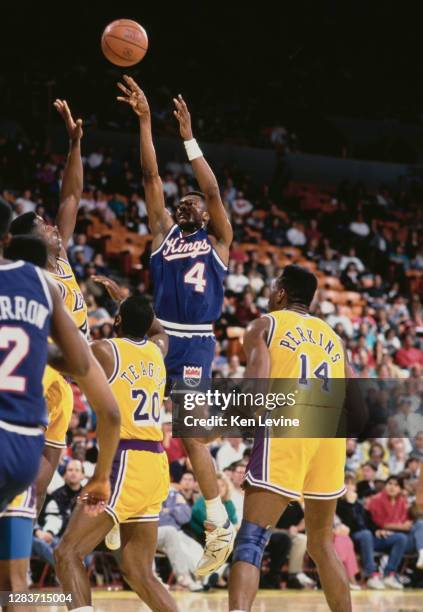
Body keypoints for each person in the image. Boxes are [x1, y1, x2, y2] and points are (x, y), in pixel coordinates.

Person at [117, 75, 235, 576]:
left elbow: (209, 184)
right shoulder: (164, 236)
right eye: (183, 199)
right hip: (158, 337)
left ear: (208, 216)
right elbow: (149, 177)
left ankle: (217, 524)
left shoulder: (219, 242)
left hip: (197, 344)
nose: (190, 201)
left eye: (197, 202)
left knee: (191, 435)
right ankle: (119, 498)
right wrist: (145, 121)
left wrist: (188, 138)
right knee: (125, 409)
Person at [0, 212, 120, 599]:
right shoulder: (42, 286)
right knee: (15, 584)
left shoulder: (54, 269)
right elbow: (108, 407)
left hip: (44, 392)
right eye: (42, 224)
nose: (53, 227)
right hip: (25, 437)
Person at [228, 265, 352, 612]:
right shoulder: (334, 337)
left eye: (273, 288)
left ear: (281, 292)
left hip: (287, 424)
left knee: (252, 538)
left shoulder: (265, 324)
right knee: (322, 544)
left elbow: (256, 386)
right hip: (328, 435)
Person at [54, 296, 178, 612]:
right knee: (139, 572)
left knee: (67, 553)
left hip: (125, 461)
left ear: (117, 320)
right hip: (155, 465)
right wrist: (128, 303)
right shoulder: (158, 350)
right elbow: (159, 329)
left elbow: (60, 358)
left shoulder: (105, 351)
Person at [9, 99, 88, 513]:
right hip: (39, 368)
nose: (54, 224)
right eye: (44, 223)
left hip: (66, 381)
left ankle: (22, 520)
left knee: (50, 463)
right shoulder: (26, 271)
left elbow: (72, 194)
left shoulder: (62, 260)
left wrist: (74, 144)